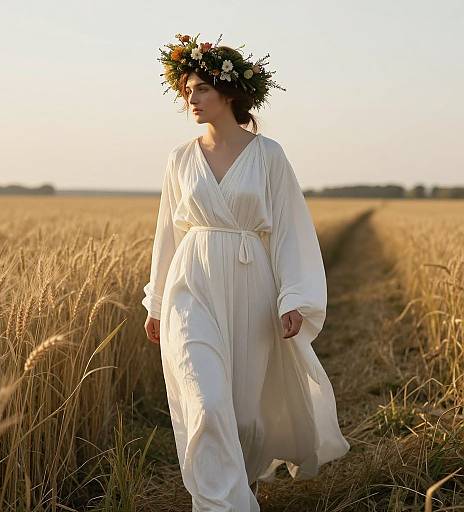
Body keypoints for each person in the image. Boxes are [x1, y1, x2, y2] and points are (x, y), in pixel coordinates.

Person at [142, 33, 350, 512]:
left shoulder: (268, 155)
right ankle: (224, 504)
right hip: (190, 288)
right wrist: (156, 302)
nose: (190, 99)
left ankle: (241, 485)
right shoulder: (179, 159)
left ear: (229, 93)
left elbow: (291, 230)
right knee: (206, 403)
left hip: (251, 284)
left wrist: (293, 297)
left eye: (200, 89)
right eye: (187, 91)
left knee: (245, 417)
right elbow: (167, 236)